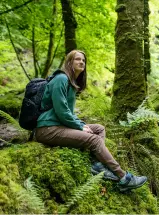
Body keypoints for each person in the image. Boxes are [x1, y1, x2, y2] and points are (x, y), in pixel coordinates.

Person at [35, 50, 147, 192]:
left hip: (58, 125)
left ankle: (97, 164)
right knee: (93, 139)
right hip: (47, 129)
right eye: (77, 59)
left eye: (83, 60)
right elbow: (61, 111)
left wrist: (81, 124)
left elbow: (68, 112)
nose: (82, 62)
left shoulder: (70, 83)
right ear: (70, 62)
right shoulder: (61, 79)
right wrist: (79, 127)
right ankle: (124, 177)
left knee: (99, 129)